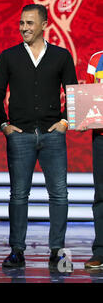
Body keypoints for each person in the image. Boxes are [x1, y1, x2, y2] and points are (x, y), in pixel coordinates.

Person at [0, 4, 77, 269]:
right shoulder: (9, 56)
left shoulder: (61, 56)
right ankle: (17, 250)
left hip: (53, 135)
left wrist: (64, 121)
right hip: (20, 135)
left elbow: (72, 91)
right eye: (21, 23)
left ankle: (57, 250)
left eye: (29, 23)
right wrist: (4, 125)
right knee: (18, 195)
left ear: (44, 25)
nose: (23, 28)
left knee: (59, 194)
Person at [84, 50, 103, 268]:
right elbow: (89, 97)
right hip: (101, 137)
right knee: (101, 196)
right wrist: (84, 116)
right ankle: (100, 251)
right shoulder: (96, 60)